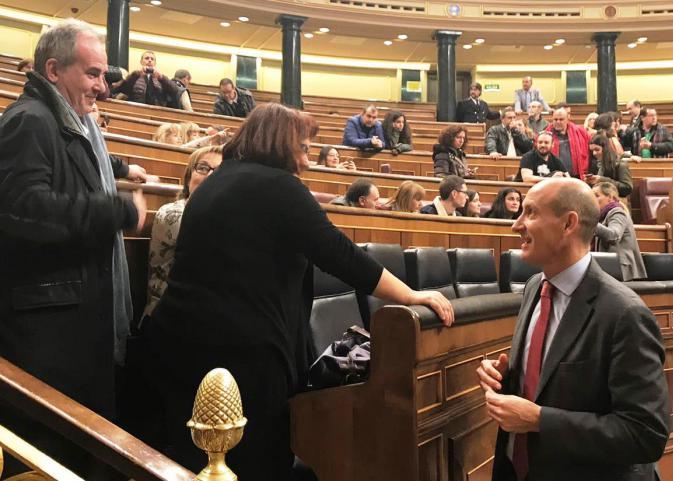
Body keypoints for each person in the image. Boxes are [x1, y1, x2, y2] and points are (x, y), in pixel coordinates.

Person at [143, 103, 454, 481]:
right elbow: (339, 254)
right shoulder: (277, 187)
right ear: (279, 143)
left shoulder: (218, 182)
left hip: (185, 349)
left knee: (200, 460)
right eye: (303, 149)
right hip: (243, 357)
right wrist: (409, 295)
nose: (307, 162)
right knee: (255, 462)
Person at [0, 20, 148, 477]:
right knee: (49, 459)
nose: (103, 86)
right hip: (46, 339)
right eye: (92, 74)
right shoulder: (30, 120)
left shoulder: (70, 123)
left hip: (71, 326)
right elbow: (23, 210)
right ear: (52, 69)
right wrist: (116, 211)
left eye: (104, 75)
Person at [477, 177, 669, 481]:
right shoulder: (533, 288)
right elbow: (552, 382)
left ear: (568, 224)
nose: (517, 225)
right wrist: (507, 379)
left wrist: (540, 420)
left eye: (531, 213)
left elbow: (644, 434)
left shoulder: (625, 314)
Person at [143, 145, 223, 319]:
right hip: (167, 316)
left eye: (220, 171)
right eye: (202, 168)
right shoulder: (172, 213)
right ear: (188, 177)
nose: (210, 175)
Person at [593, 182, 647, 281]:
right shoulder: (603, 215)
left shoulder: (617, 212)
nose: (593, 200)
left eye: (596, 196)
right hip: (612, 266)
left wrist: (591, 223)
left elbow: (614, 235)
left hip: (621, 268)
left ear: (610, 197)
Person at [113, 50, 179, 107]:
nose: (150, 60)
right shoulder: (135, 76)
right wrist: (136, 75)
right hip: (136, 110)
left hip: (157, 112)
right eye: (147, 58)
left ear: (155, 63)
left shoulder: (161, 79)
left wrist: (161, 78)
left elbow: (175, 91)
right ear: (141, 62)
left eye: (152, 59)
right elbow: (123, 89)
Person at [544, 107, 591, 179]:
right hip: (554, 177)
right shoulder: (545, 135)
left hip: (576, 176)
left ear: (567, 120)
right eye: (555, 119)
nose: (558, 122)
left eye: (561, 119)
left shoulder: (580, 132)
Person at [585, 133, 633, 199]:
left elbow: (627, 188)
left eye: (597, 149)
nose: (594, 153)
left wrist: (602, 180)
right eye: (592, 150)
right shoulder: (594, 164)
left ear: (606, 149)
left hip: (617, 202)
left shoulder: (620, 164)